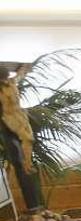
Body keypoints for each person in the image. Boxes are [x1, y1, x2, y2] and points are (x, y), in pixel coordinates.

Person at [0, 63, 41, 210]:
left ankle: (27, 164)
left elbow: (19, 76)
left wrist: (24, 68)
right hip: (9, 122)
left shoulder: (11, 83)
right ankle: (26, 165)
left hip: (19, 119)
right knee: (19, 158)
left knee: (27, 142)